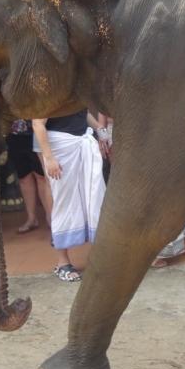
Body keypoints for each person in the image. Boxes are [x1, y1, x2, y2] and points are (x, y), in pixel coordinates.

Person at [93, 114, 185, 267]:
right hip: (120, 138)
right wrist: (104, 136)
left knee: (168, 192)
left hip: (150, 134)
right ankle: (148, 251)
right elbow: (102, 118)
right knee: (139, 197)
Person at [33, 110, 107, 282]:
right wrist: (49, 158)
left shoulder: (76, 92)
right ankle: (62, 262)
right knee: (64, 202)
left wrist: (101, 130)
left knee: (95, 197)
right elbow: (38, 123)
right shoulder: (49, 93)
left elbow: (82, 111)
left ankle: (99, 257)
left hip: (82, 141)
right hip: (60, 146)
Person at [6, 119, 51, 233]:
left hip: (36, 132)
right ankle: (31, 218)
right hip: (15, 133)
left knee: (41, 176)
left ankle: (50, 216)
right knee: (24, 177)